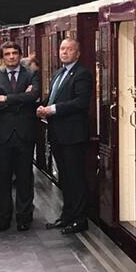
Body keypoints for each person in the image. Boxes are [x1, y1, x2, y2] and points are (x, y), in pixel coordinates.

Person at [37, 38, 93, 235]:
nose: (64, 52)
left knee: (75, 177)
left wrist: (52, 109)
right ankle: (67, 214)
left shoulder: (82, 74)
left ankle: (80, 219)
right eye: (62, 49)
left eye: (69, 49)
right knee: (65, 178)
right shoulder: (58, 73)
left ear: (77, 53)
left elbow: (80, 102)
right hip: (58, 135)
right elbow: (52, 96)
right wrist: (42, 106)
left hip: (73, 136)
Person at [0, 42, 41, 232]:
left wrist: (7, 98)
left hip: (25, 134)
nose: (11, 57)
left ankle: (24, 217)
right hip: (1, 136)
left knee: (25, 178)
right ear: (2, 57)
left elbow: (34, 95)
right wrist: (20, 98)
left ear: (19, 55)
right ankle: (4, 217)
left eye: (14, 53)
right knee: (2, 179)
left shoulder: (31, 74)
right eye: (7, 54)